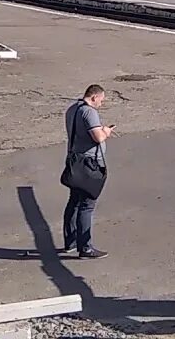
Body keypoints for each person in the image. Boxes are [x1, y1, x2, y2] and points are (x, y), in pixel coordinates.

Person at [63, 84, 113, 259]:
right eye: (101, 100)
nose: (101, 104)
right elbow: (97, 137)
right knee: (87, 205)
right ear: (93, 97)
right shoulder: (89, 112)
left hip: (75, 162)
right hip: (88, 165)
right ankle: (86, 248)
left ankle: (71, 242)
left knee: (74, 201)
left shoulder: (72, 109)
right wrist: (106, 131)